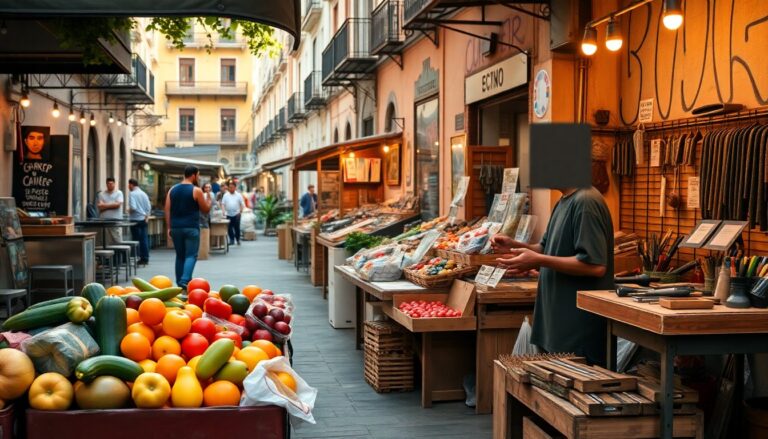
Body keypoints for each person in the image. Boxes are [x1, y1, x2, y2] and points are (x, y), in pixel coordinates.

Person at [491, 186, 613, 365]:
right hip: (555, 325)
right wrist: (514, 246)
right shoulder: (563, 202)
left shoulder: (586, 202)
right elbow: (543, 248)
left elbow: (594, 265)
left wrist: (539, 260)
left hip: (577, 329)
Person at [164, 165, 212, 290]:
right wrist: (209, 201)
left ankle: (180, 283)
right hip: (191, 228)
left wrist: (169, 227)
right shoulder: (196, 190)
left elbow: (167, 210)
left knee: (180, 255)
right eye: (199, 175)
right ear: (194, 175)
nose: (199, 177)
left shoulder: (172, 189)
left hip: (176, 228)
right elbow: (205, 210)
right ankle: (185, 280)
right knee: (191, 255)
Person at [128, 179, 152, 265]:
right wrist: (147, 216)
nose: (128, 187)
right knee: (144, 239)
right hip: (143, 219)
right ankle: (145, 258)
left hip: (135, 220)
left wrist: (129, 210)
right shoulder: (144, 193)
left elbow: (133, 207)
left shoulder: (132, 194)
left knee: (136, 240)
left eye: (129, 185)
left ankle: (138, 257)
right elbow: (148, 206)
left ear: (131, 184)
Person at [97, 177, 124, 245]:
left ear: (114, 184)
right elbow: (100, 207)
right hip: (104, 221)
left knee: (117, 240)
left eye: (112, 184)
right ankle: (107, 256)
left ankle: (117, 255)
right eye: (108, 184)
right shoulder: (101, 194)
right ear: (106, 184)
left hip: (115, 221)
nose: (110, 185)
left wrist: (104, 205)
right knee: (105, 241)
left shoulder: (119, 193)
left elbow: (117, 205)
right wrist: (113, 205)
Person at [220, 180, 245, 246]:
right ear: (228, 188)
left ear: (235, 187)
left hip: (237, 213)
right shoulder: (226, 195)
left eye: (232, 187)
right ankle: (231, 240)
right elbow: (223, 204)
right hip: (228, 214)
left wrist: (240, 212)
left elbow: (242, 204)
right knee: (229, 227)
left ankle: (238, 239)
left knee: (237, 228)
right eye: (230, 187)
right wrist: (223, 211)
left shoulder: (238, 195)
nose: (231, 188)